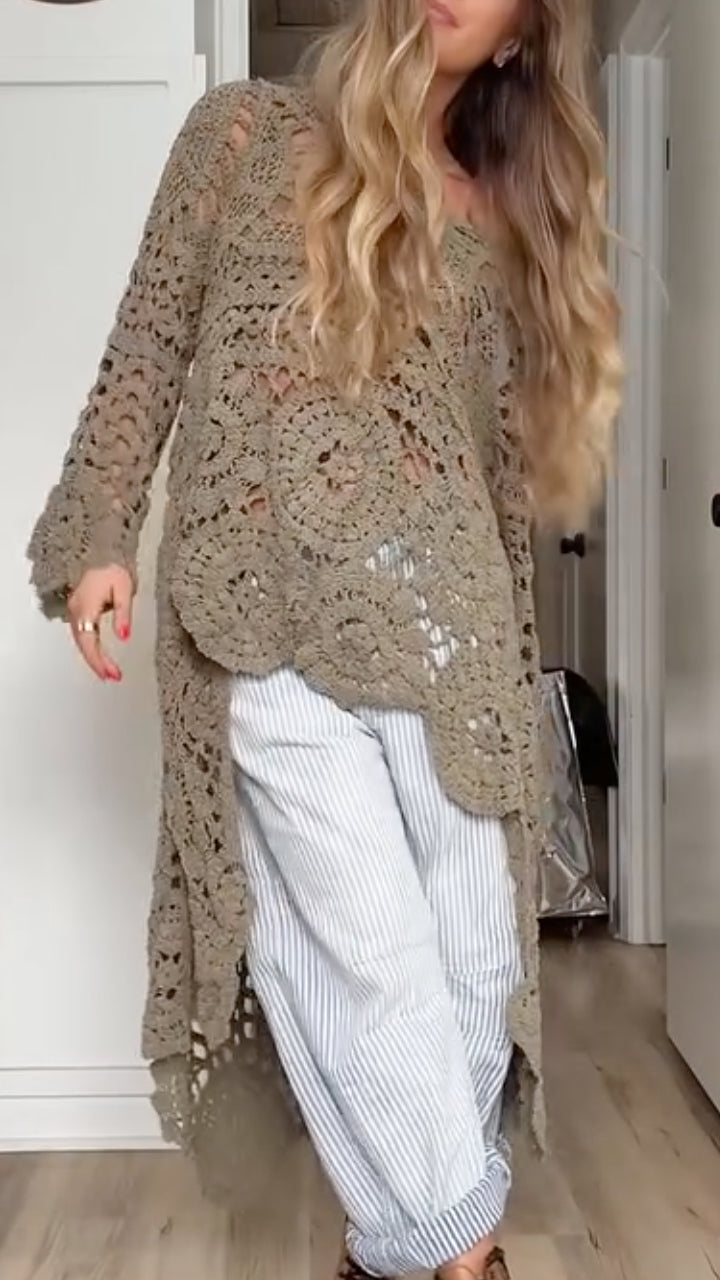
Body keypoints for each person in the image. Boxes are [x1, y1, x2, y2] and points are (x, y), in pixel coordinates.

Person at [28, 0, 621, 1277]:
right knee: (367, 952)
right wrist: (99, 530)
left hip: (447, 627)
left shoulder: (497, 215)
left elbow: (491, 475)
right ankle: (467, 1258)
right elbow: (149, 340)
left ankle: (389, 1252)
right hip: (262, 609)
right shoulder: (240, 134)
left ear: (520, 36)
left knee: (477, 962)